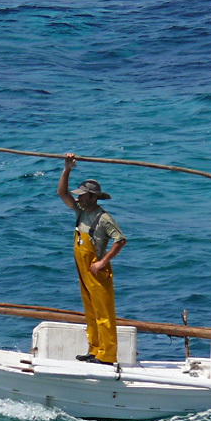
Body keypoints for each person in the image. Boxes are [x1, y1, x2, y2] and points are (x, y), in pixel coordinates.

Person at [57, 153, 126, 366]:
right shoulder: (80, 211)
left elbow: (120, 240)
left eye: (83, 196)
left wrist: (102, 262)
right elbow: (61, 192)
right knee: (91, 310)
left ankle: (107, 356)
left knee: (104, 312)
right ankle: (95, 350)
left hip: (97, 270)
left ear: (93, 198)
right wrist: (67, 168)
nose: (78, 198)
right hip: (82, 269)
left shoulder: (104, 219)